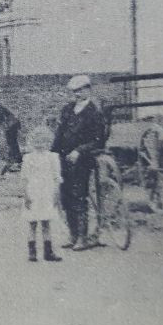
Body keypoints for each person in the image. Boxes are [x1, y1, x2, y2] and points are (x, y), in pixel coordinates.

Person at [52, 75, 106, 251]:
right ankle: (73, 235)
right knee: (65, 196)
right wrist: (52, 155)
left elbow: (98, 140)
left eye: (81, 90)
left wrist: (79, 151)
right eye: (75, 91)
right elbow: (59, 133)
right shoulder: (67, 109)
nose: (78, 94)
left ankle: (83, 237)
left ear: (88, 89)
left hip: (83, 159)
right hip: (63, 158)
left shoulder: (95, 112)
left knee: (78, 195)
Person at [21, 119, 63, 263]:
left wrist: (56, 193)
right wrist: (26, 195)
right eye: (37, 141)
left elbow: (56, 177)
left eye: (43, 142)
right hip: (33, 192)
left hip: (47, 192)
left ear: (49, 143)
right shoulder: (28, 158)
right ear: (32, 142)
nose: (40, 145)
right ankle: (32, 252)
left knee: (46, 223)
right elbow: (25, 178)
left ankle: (48, 252)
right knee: (32, 223)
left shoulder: (53, 157)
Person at [0, 92, 23, 172]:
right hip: (9, 125)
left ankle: (15, 161)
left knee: (11, 143)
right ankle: (13, 161)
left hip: (11, 126)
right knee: (8, 143)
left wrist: (0, 130)